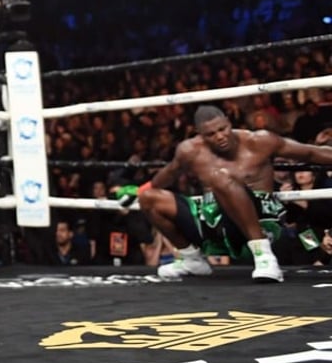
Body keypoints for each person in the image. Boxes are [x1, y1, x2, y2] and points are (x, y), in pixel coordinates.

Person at [120, 104, 332, 283]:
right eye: (211, 134)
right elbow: (169, 173)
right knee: (149, 199)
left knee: (219, 177)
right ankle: (192, 260)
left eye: (223, 129)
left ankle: (264, 256)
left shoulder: (259, 141)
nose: (220, 137)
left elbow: (310, 152)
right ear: (200, 135)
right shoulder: (190, 151)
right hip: (216, 224)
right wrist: (139, 190)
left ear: (230, 123)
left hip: (262, 222)